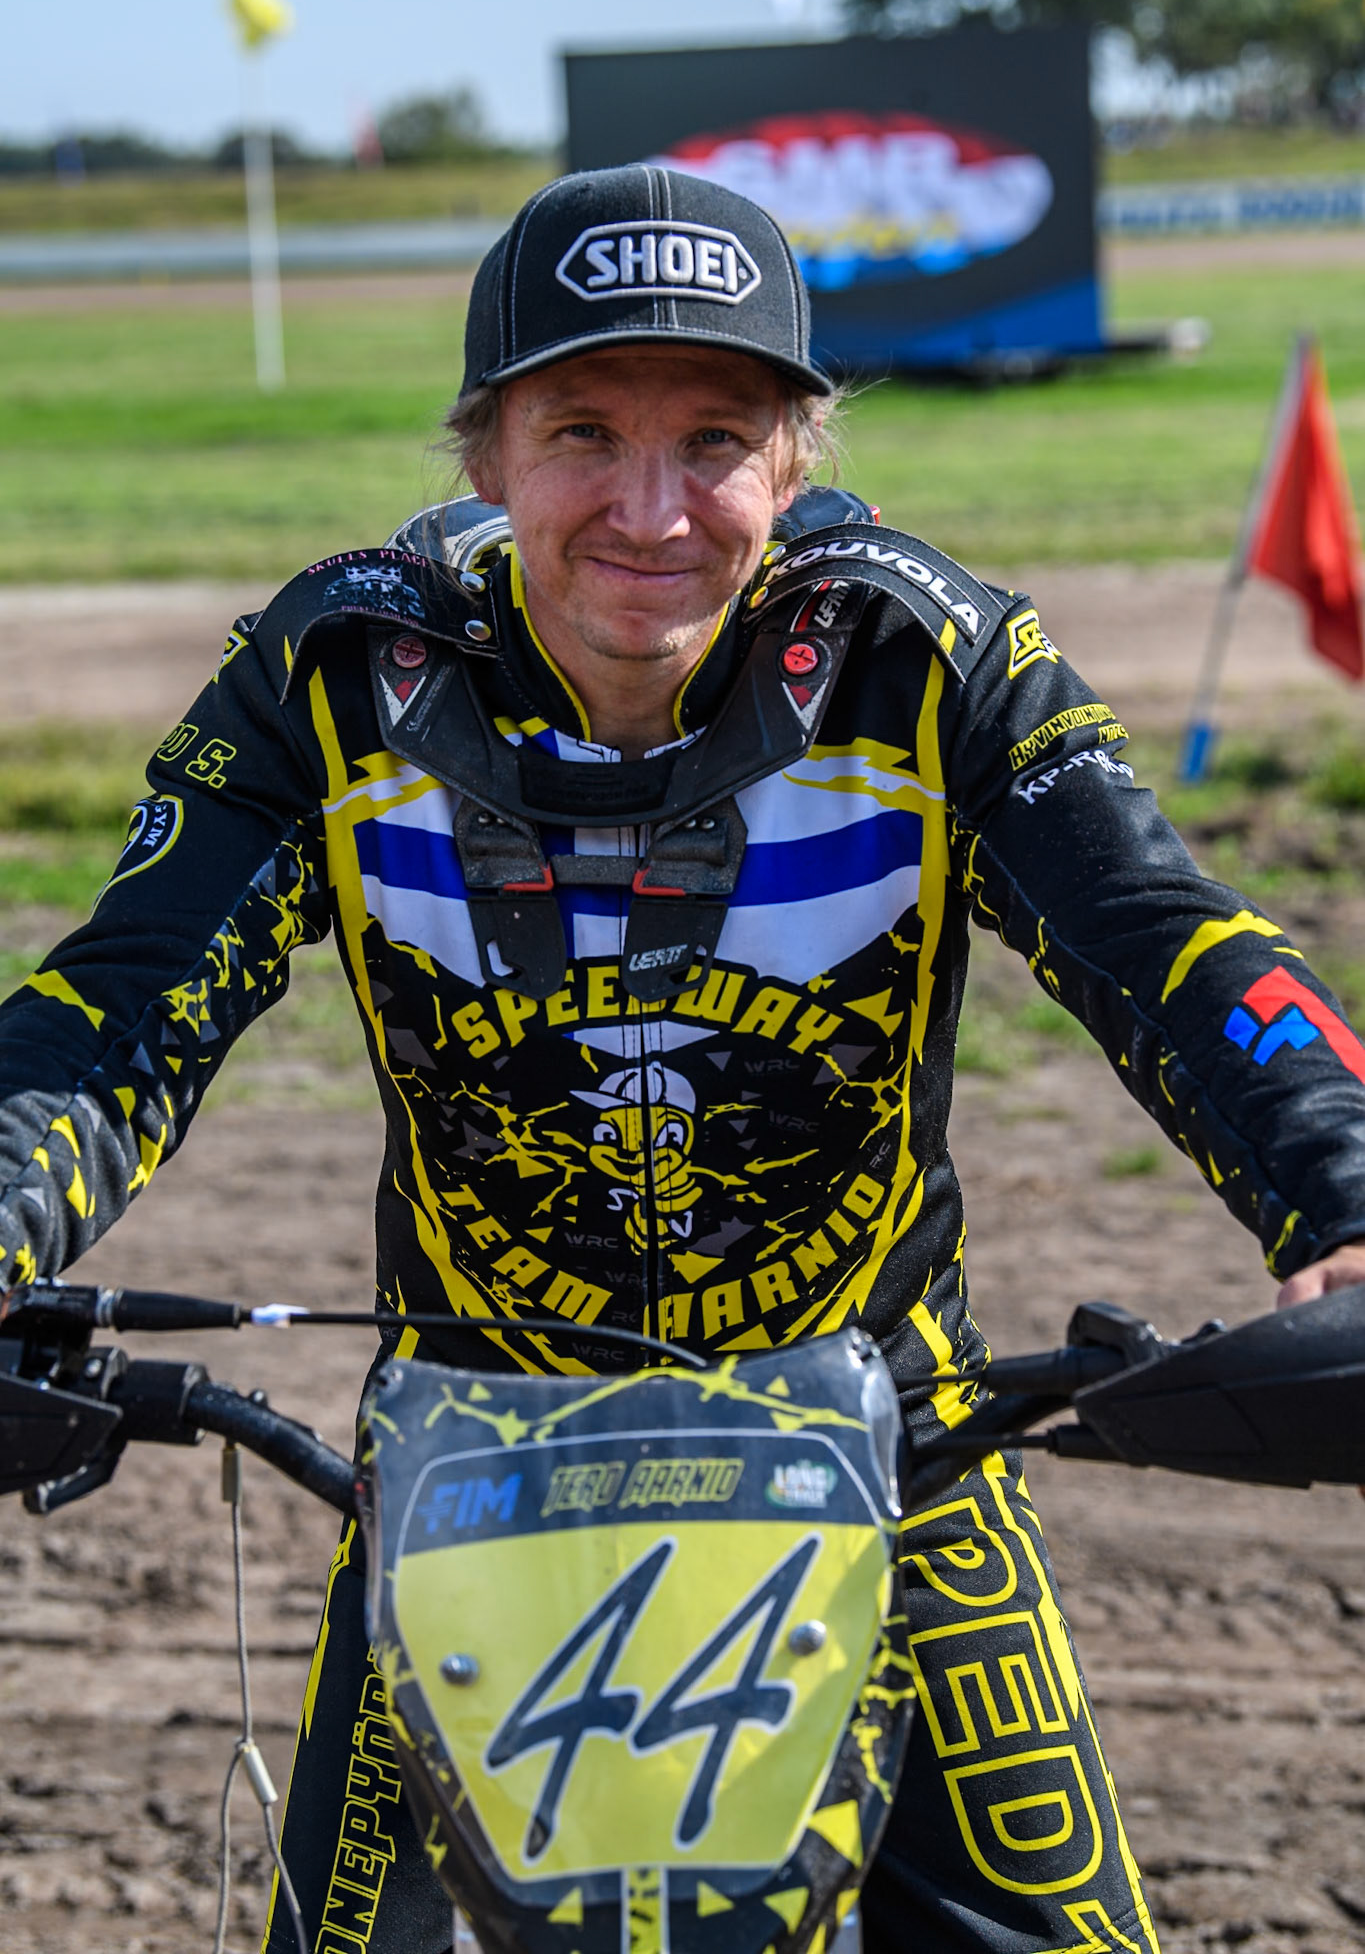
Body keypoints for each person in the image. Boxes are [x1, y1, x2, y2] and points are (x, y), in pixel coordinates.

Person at [2, 165, 1364, 1954]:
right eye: (581, 431)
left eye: (713, 439)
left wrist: (1339, 1190)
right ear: (482, 452)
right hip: (469, 1464)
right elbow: (119, 1008)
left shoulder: (928, 655)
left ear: (792, 462)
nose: (649, 510)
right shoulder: (336, 669)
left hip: (886, 1435)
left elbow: (1174, 944)